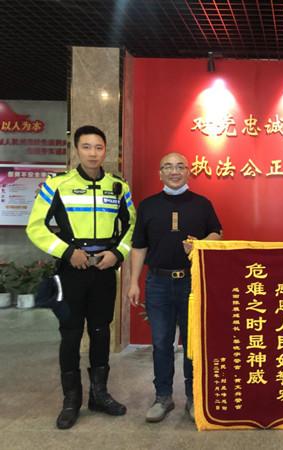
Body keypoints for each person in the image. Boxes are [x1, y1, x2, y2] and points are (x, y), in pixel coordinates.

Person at [26, 125, 136, 429]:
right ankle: (71, 400)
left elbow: (132, 225)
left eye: (98, 147)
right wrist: (66, 252)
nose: (93, 153)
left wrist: (118, 253)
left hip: (104, 271)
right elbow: (35, 227)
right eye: (86, 147)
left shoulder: (118, 187)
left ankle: (99, 395)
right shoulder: (57, 185)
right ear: (76, 149)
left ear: (106, 150)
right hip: (71, 271)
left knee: (101, 331)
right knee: (71, 333)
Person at [127, 152, 222, 423]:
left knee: (192, 342)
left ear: (188, 171)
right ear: (160, 173)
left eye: (180, 166)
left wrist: (201, 243)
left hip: (192, 282)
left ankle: (193, 397)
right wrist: (133, 282)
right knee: (161, 343)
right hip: (157, 282)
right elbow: (139, 246)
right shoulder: (148, 205)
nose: (174, 171)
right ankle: (163, 397)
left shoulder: (202, 204)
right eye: (168, 167)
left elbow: (217, 233)